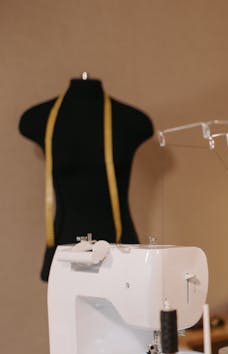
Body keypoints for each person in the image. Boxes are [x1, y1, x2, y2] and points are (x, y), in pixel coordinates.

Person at [19, 77, 153, 281]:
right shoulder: (40, 118)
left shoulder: (130, 121)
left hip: (118, 244)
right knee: (66, 309)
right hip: (64, 245)